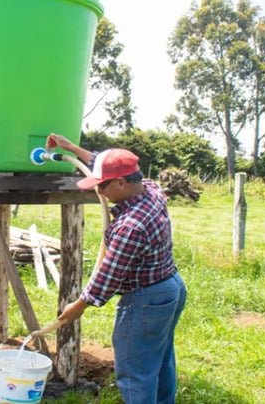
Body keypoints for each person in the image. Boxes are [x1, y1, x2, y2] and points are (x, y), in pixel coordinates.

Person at [46, 133, 187, 404]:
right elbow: (103, 162)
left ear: (121, 183)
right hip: (170, 288)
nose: (99, 191)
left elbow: (107, 277)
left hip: (146, 300)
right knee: (160, 359)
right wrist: (71, 148)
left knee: (135, 371)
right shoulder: (150, 188)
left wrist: (78, 306)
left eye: (102, 186)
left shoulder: (130, 226)